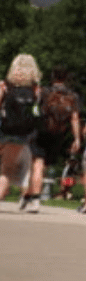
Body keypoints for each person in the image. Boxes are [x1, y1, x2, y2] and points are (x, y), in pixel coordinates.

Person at [23, 67, 82, 212]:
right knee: (43, 167)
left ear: (52, 77)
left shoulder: (44, 91)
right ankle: (29, 196)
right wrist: (77, 139)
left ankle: (33, 198)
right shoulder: (73, 96)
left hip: (41, 131)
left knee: (37, 165)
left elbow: (32, 108)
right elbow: (74, 118)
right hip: (58, 134)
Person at [0, 54, 43, 204]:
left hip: (2, 128)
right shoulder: (36, 90)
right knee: (6, 170)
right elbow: (36, 112)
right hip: (21, 134)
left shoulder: (4, 86)